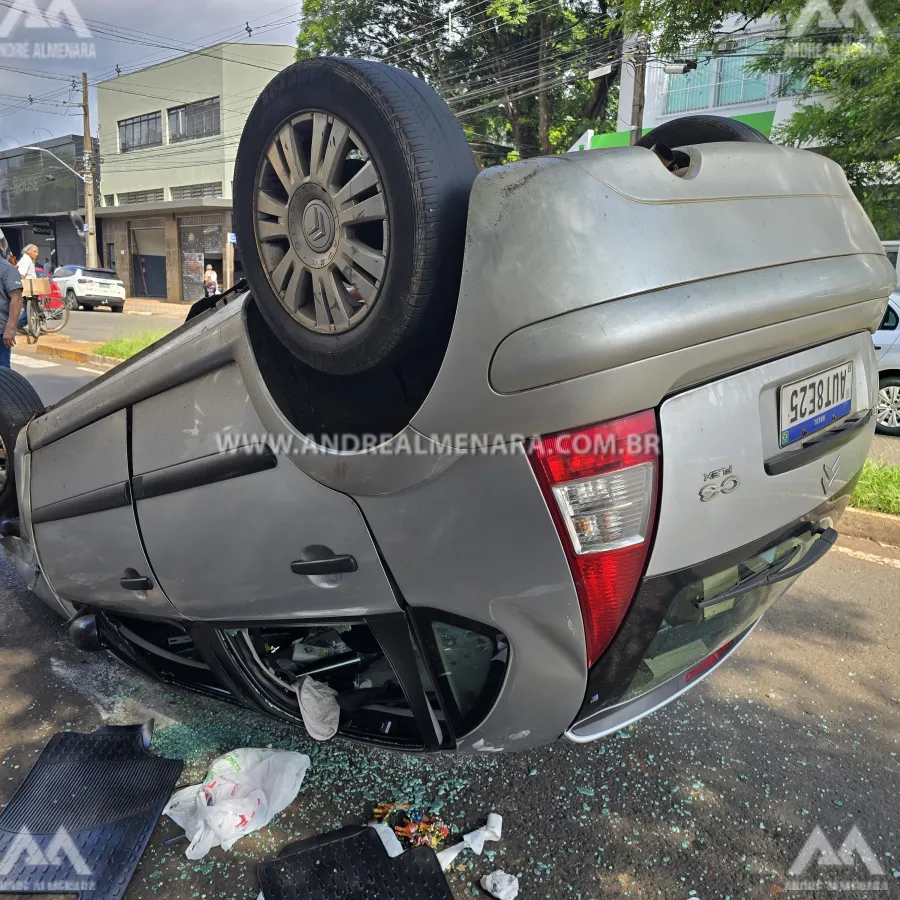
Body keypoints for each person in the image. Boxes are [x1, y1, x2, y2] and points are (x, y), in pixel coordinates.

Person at [0, 256, 24, 367]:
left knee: (3, 374)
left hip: (1, 331)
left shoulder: (7, 269)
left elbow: (17, 299)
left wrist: (10, 328)